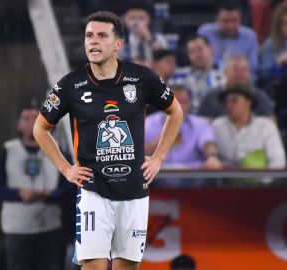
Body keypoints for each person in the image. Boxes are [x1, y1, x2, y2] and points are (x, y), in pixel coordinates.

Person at [33, 11, 182, 270]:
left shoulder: (142, 78)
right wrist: (66, 169)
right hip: (93, 193)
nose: (94, 41)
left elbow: (175, 112)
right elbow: (40, 128)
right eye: (90, 36)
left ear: (118, 44)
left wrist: (158, 158)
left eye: (102, 36)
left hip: (134, 191)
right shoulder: (71, 85)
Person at [0, 104, 68, 270]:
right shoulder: (8, 150)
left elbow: (71, 184)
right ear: (18, 124)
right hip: (18, 227)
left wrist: (51, 195)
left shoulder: (57, 150)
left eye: (35, 117)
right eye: (26, 118)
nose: (31, 122)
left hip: (49, 225)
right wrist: (19, 194)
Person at [145, 85, 222, 170]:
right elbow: (138, 155)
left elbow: (208, 144)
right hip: (156, 177)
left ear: (190, 104)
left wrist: (213, 157)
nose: (179, 107)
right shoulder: (148, 123)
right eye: (175, 102)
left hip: (192, 177)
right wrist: (164, 139)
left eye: (184, 102)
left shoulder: (200, 124)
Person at [213, 84, 286, 169]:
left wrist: (263, 179)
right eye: (227, 101)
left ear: (249, 102)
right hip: (224, 178)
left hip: (260, 179)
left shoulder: (266, 126)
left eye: (234, 100)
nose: (229, 105)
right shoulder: (217, 126)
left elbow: (278, 160)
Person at [197, 55, 274, 120]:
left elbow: (271, 123)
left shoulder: (259, 96)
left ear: (249, 73)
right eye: (235, 69)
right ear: (225, 72)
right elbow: (201, 125)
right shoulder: (211, 97)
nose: (239, 74)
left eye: (244, 69)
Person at [197, 1, 259, 79]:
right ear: (217, 20)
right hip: (210, 80)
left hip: (240, 82)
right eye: (225, 21)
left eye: (234, 21)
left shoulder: (250, 36)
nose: (230, 26)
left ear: (241, 20)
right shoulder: (205, 32)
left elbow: (252, 69)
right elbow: (199, 62)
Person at [169, 35, 225, 113]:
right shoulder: (177, 76)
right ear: (188, 55)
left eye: (200, 49)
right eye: (192, 51)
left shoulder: (226, 74)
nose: (197, 54)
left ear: (211, 49)